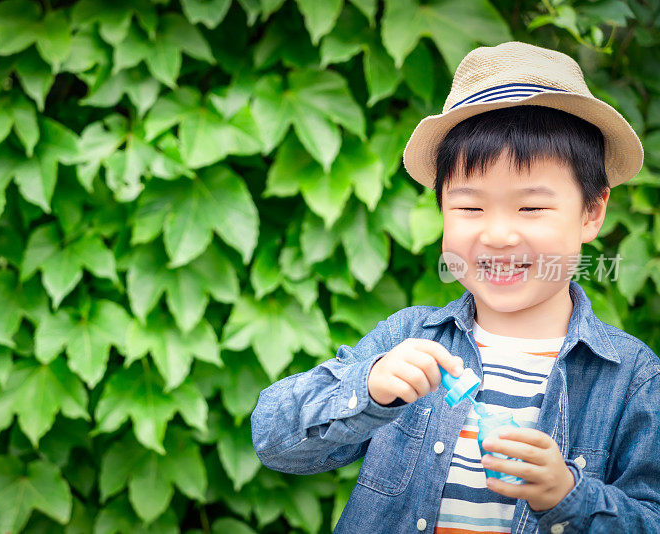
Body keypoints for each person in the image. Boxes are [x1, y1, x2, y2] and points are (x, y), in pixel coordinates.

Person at [250, 41, 660, 533]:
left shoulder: (632, 379)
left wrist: (569, 496)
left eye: (531, 208)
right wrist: (370, 387)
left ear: (592, 212)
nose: (498, 235)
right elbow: (273, 437)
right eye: (470, 208)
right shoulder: (407, 341)